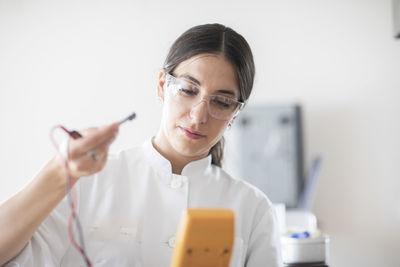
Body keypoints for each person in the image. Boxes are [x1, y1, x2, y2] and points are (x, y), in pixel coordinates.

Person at [0, 23, 282, 267]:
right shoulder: (87, 182)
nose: (198, 117)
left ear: (236, 113)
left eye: (221, 102)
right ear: (162, 85)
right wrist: (59, 172)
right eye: (187, 89)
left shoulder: (253, 209)